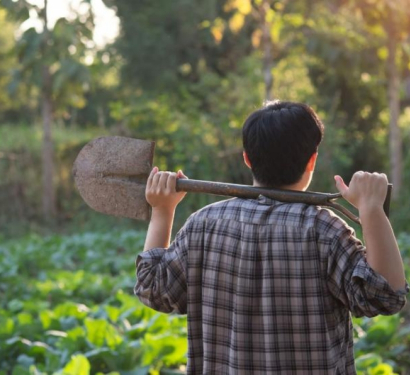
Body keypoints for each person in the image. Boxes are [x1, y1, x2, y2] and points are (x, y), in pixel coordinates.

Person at [134, 101, 409, 374]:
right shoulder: (323, 229)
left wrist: (162, 211)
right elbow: (385, 297)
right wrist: (372, 210)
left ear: (247, 158)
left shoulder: (202, 225)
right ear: (312, 159)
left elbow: (153, 289)